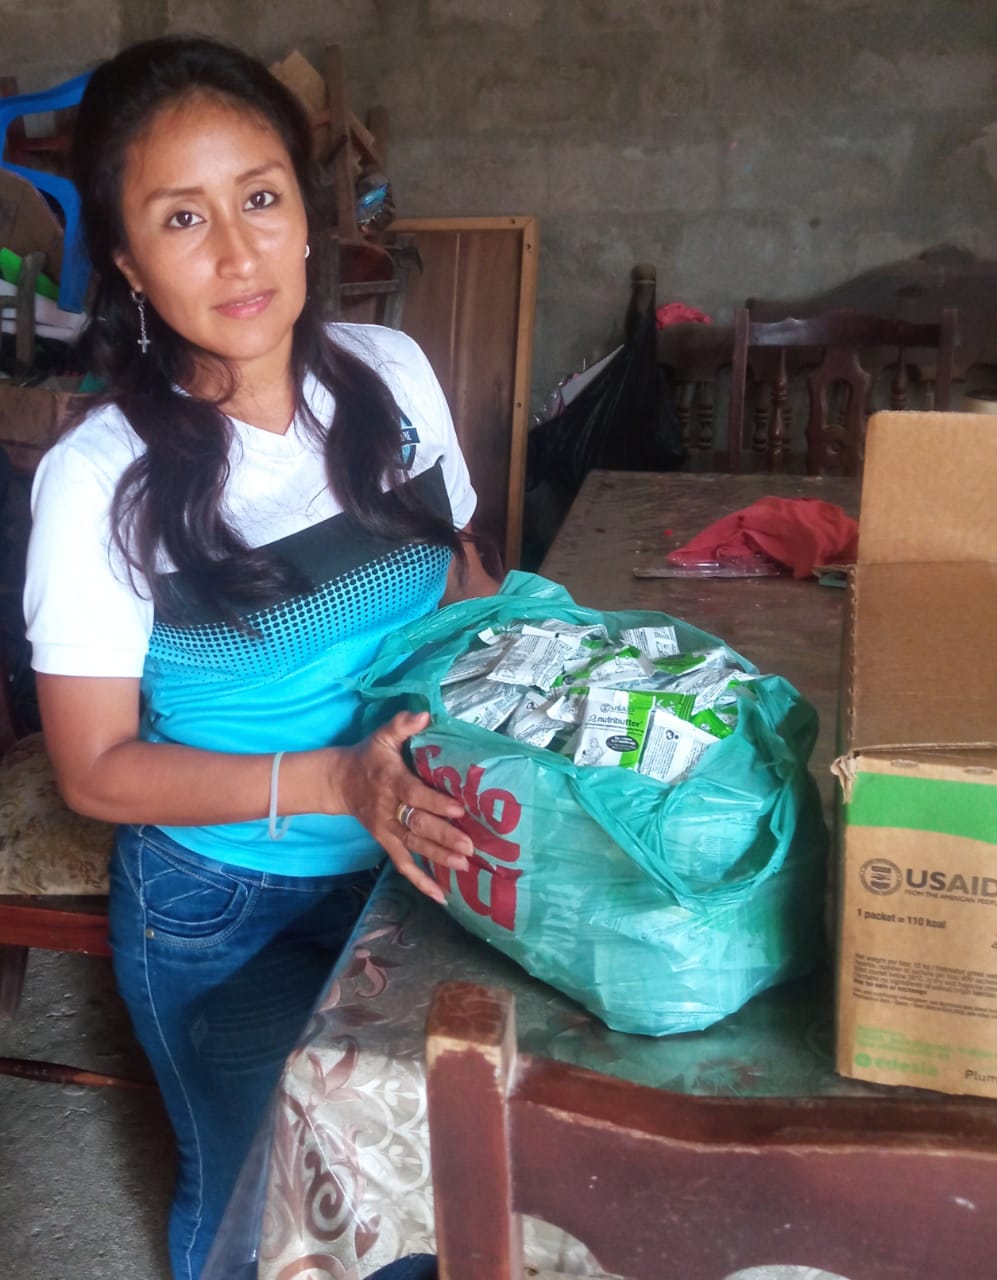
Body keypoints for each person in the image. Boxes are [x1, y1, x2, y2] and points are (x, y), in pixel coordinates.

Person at [23, 34, 498, 1280]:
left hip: (419, 850)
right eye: (183, 218)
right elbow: (96, 769)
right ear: (127, 262)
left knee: (426, 1190)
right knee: (261, 1201)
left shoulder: (390, 376)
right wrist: (340, 779)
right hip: (233, 900)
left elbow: (464, 580)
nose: (239, 253)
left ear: (304, 213)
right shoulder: (100, 478)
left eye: (262, 198)